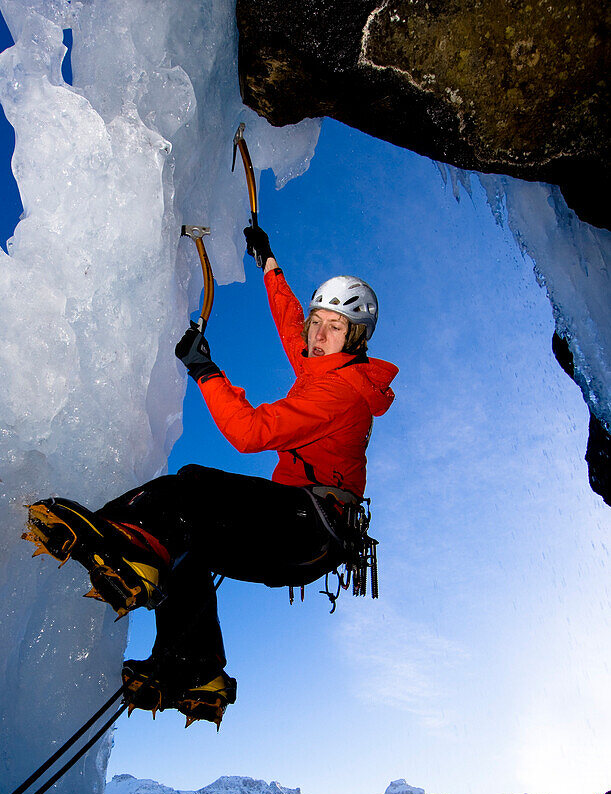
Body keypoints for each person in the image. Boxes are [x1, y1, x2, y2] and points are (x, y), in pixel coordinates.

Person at [24, 225, 398, 727]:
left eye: (335, 327)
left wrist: (205, 370)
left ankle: (118, 538)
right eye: (318, 322)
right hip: (302, 535)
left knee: (192, 487)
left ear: (355, 339)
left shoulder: (339, 392)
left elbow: (249, 431)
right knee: (189, 548)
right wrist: (269, 264)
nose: (319, 334)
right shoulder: (321, 364)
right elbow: (292, 327)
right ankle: (196, 671)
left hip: (310, 524)